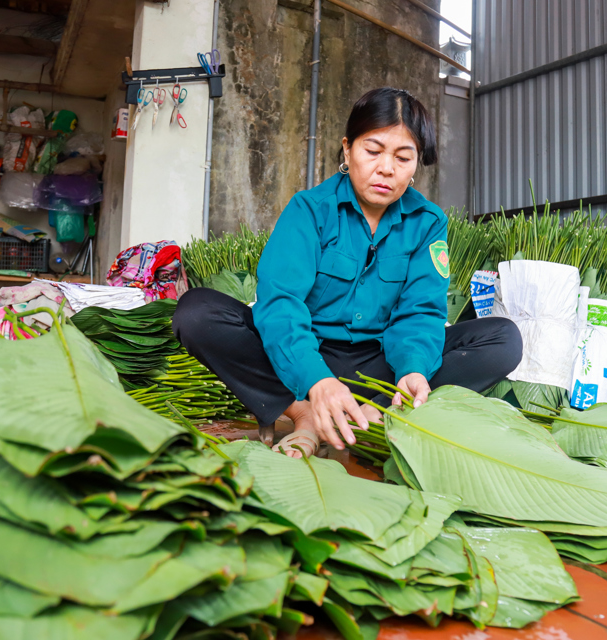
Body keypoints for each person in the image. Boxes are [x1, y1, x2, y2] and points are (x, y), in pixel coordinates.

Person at [173, 87, 522, 457]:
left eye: (403, 158)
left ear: (416, 164)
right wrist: (316, 379)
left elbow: (420, 312)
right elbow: (281, 302)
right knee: (197, 313)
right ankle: (304, 412)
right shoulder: (310, 209)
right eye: (373, 151)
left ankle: (375, 412)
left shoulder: (427, 222)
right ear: (347, 149)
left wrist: (413, 370)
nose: (386, 168)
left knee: (503, 339)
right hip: (306, 357)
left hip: (380, 368)